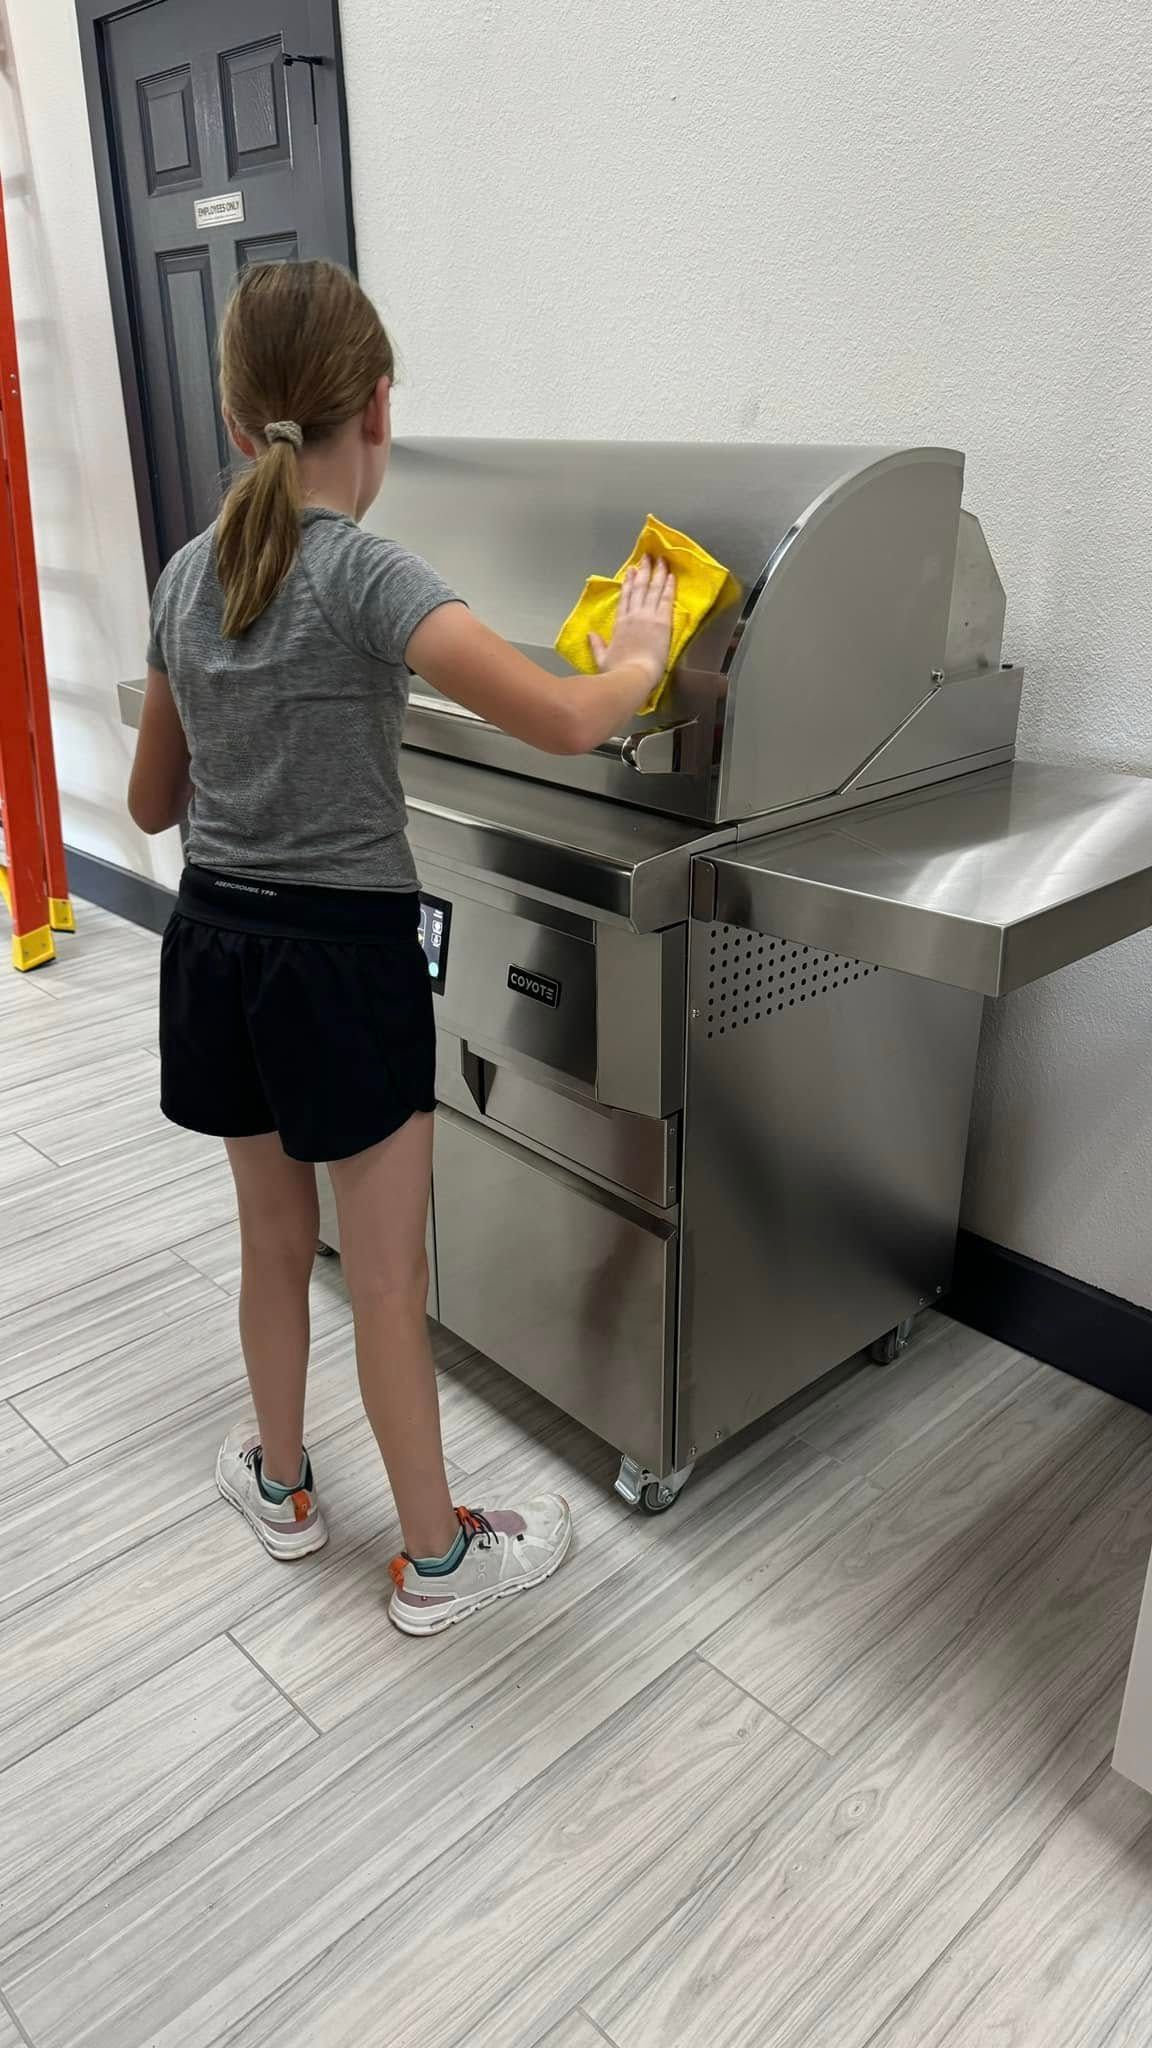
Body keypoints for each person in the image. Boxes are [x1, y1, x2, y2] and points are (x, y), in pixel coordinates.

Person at [127, 259, 674, 1636]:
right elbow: (560, 721)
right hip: (340, 965)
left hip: (215, 950)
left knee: (270, 1244)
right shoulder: (370, 572)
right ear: (380, 406)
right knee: (386, 1278)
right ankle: (437, 1562)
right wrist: (643, 661)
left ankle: (285, 1487)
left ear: (238, 423)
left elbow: (148, 804)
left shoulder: (192, 576)